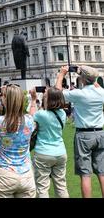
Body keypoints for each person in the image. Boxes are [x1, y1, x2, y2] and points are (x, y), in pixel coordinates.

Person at [56, 65, 104, 198]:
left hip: (83, 135)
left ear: (82, 79)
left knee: (85, 174)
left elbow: (57, 93)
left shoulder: (79, 94)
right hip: (100, 133)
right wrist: (87, 74)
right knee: (102, 172)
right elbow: (95, 82)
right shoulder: (101, 92)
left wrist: (61, 74)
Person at [0, 84, 36, 198]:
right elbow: (32, 114)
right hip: (26, 175)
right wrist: (33, 100)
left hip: (3, 174)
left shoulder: (0, 122)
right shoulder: (29, 121)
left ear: (5, 101)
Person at [29, 87, 69, 198]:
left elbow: (31, 117)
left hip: (43, 153)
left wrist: (33, 100)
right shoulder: (63, 114)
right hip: (60, 152)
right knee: (61, 186)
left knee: (42, 187)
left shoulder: (42, 115)